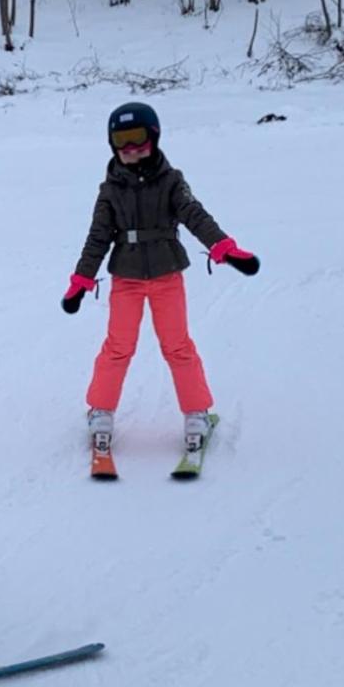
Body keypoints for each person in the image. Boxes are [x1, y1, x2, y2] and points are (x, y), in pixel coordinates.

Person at [61, 102, 259, 452]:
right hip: (126, 279)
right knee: (118, 346)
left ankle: (197, 412)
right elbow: (97, 239)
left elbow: (195, 215)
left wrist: (223, 247)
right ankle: (101, 410)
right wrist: (81, 281)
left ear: (153, 138)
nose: (130, 148)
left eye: (137, 138)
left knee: (177, 345)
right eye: (121, 140)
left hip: (167, 275)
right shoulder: (109, 191)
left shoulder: (171, 182)